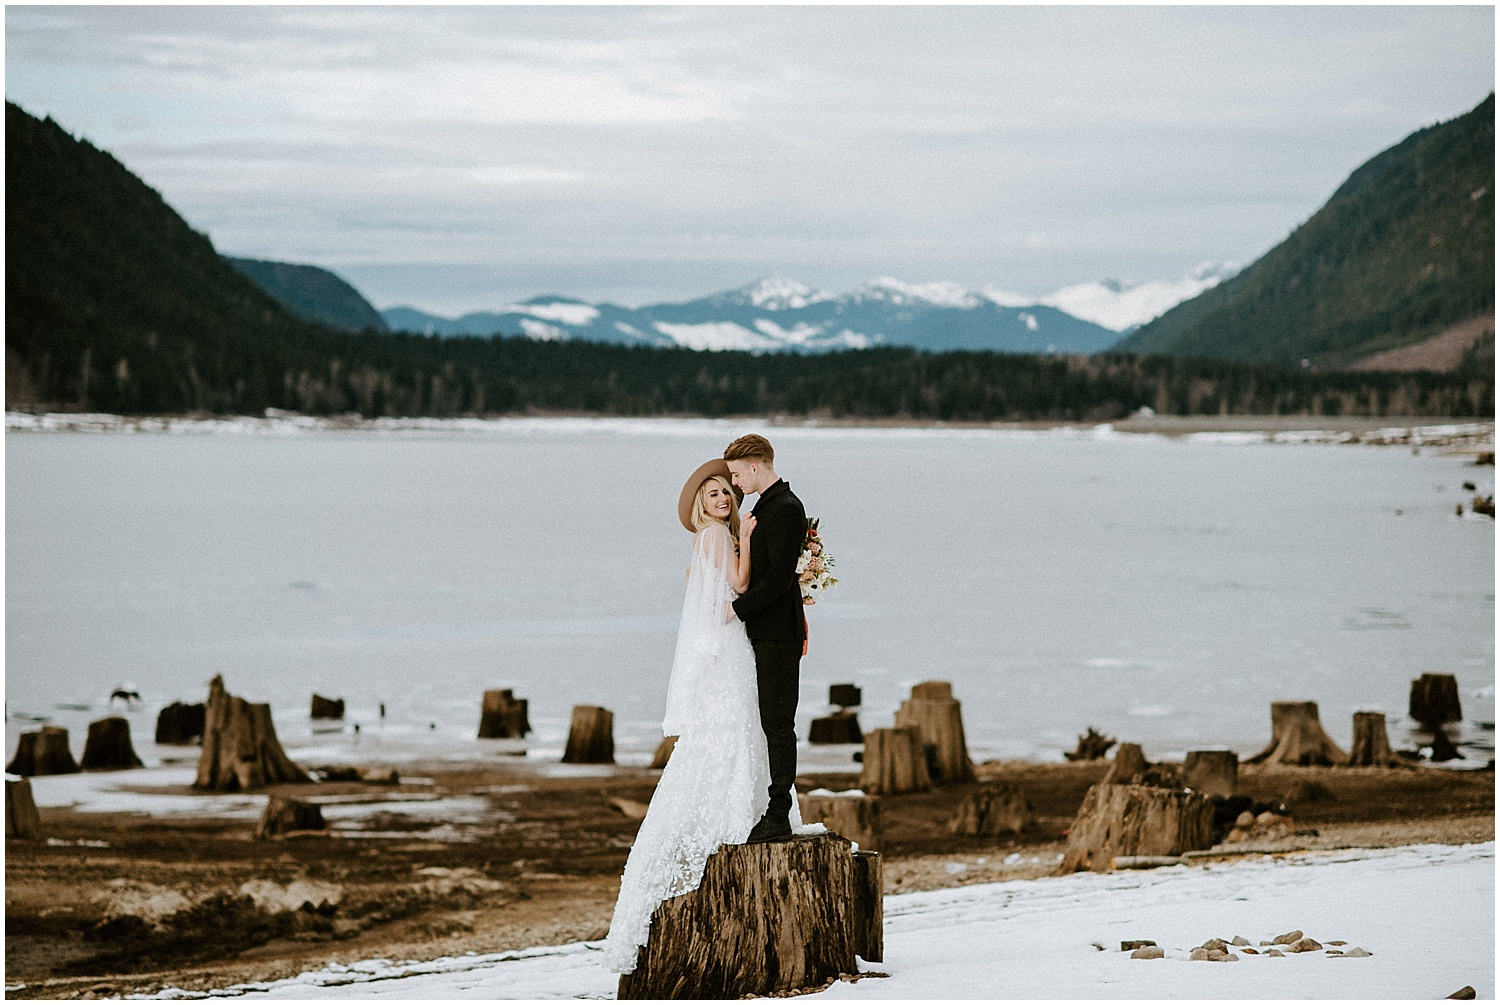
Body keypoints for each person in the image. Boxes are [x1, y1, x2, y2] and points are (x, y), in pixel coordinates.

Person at [600, 458, 813, 975]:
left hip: (731, 644)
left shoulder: (713, 536)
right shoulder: (719, 535)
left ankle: (754, 811)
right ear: (702, 504)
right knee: (745, 725)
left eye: (726, 491)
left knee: (745, 726)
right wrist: (750, 537)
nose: (723, 497)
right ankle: (746, 815)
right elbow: (741, 587)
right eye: (714, 493)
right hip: (735, 644)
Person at [723, 434, 807, 845]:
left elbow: (778, 580)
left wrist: (737, 610)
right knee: (769, 722)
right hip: (766, 631)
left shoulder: (788, 510)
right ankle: (773, 808)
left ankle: (778, 814)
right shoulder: (766, 506)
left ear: (756, 466)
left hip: (778, 634)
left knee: (778, 724)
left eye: (737, 474)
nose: (736, 483)